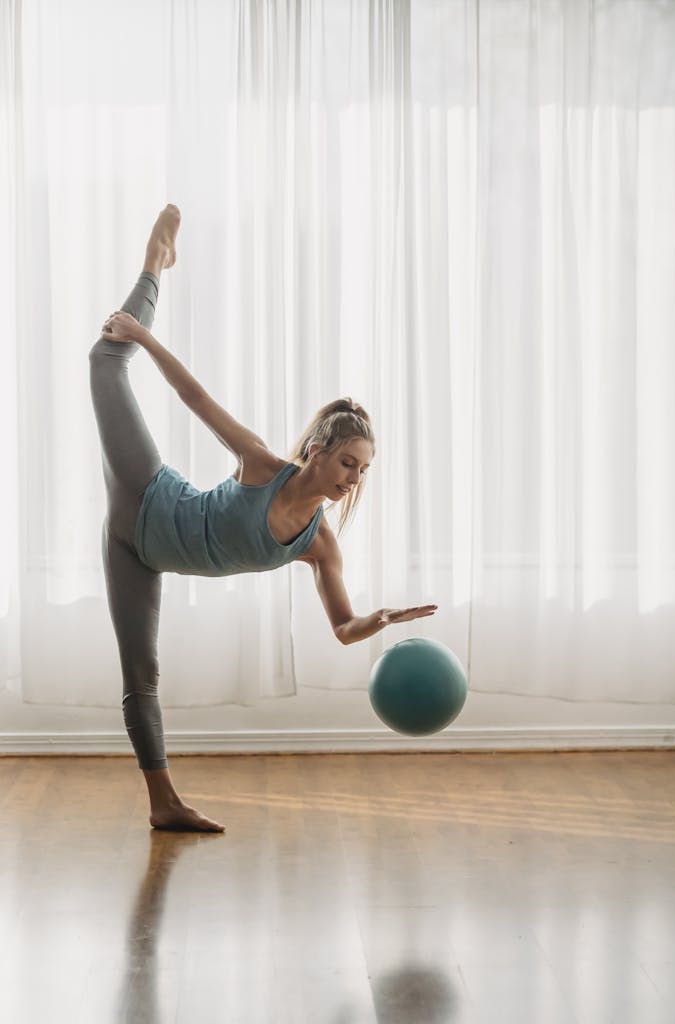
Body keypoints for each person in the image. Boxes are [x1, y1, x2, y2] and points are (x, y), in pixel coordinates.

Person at [89, 205, 438, 832]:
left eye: (364, 470)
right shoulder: (261, 464)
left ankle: (164, 804)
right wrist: (143, 336)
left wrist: (380, 619)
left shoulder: (319, 545)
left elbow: (343, 628)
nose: (354, 478)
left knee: (141, 676)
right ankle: (154, 267)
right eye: (348, 462)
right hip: (146, 497)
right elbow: (195, 398)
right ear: (318, 451)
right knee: (106, 358)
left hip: (135, 554)